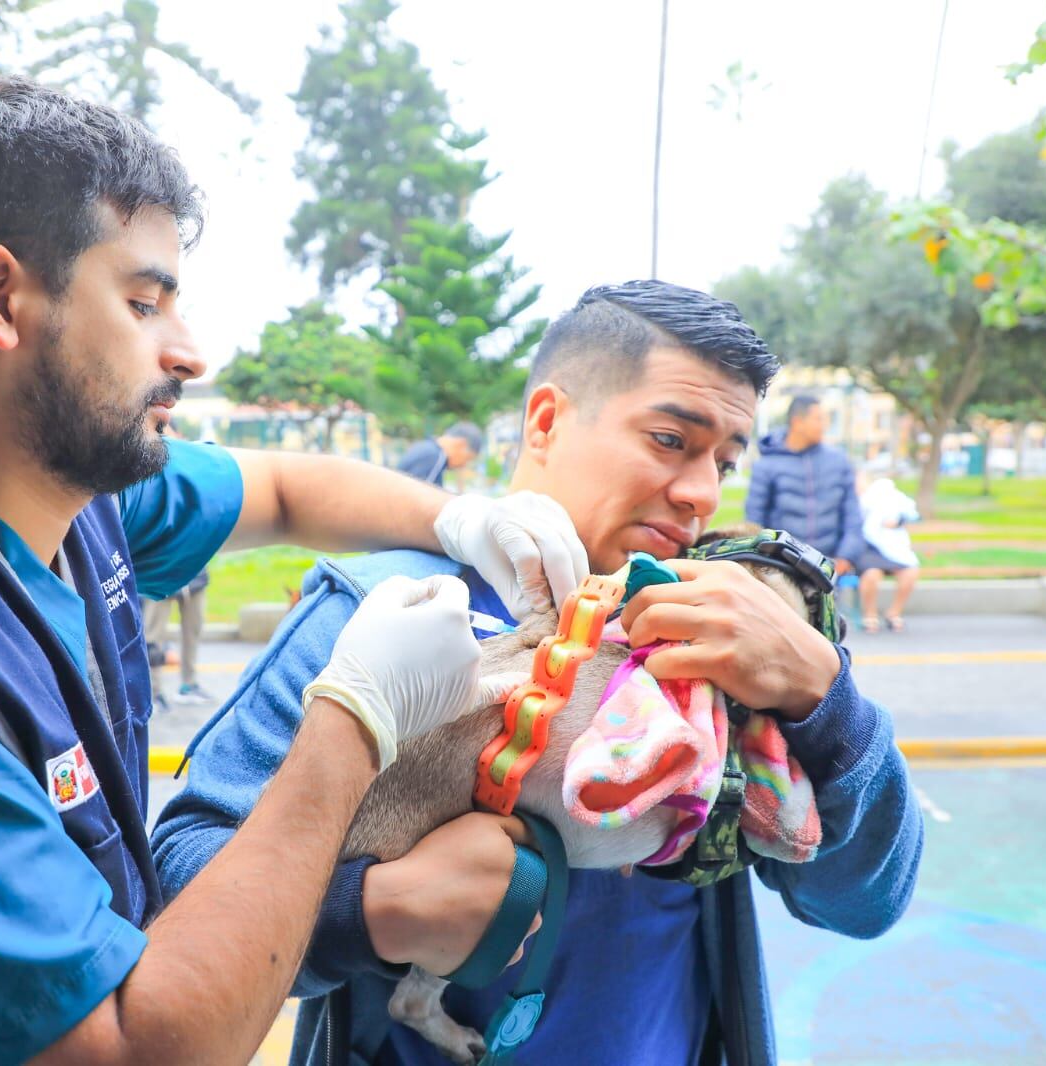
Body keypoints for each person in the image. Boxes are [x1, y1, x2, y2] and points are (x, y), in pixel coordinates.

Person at [0, 78, 590, 1065]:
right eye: (143, 303)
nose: (190, 352)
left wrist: (462, 516)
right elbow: (123, 1052)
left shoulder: (61, 482)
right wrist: (354, 719)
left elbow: (276, 487)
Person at [154, 281, 923, 1066]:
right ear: (547, 421)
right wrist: (373, 912)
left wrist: (822, 697)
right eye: (669, 440)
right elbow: (178, 881)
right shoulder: (383, 611)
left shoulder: (731, 622)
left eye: (725, 460)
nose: (701, 492)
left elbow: (867, 903)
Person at [745, 395, 865, 577]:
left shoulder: (838, 462)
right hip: (782, 568)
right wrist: (768, 561)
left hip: (830, 567)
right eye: (818, 419)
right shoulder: (767, 465)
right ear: (797, 422)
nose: (824, 425)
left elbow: (852, 516)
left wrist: (845, 557)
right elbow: (754, 519)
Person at [857, 475, 921, 633]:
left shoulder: (892, 498)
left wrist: (898, 521)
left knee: (910, 572)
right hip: (868, 548)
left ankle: (894, 613)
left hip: (893, 549)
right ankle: (870, 615)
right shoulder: (858, 501)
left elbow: (912, 514)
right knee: (872, 574)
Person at [143, 567, 212, 707]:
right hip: (160, 574)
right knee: (153, 638)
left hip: (195, 573)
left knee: (193, 632)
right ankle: (153, 692)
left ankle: (189, 685)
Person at [395, 421, 485, 486]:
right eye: (468, 458)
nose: (464, 465)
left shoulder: (428, 448)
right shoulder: (435, 457)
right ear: (461, 444)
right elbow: (419, 500)